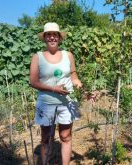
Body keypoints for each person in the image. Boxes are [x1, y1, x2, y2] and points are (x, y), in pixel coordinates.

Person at [29, 22, 82, 165]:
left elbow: (74, 76)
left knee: (66, 136)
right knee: (46, 138)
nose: (52, 38)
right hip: (46, 104)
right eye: (49, 35)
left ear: (59, 37)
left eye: (55, 35)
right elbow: (33, 82)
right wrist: (53, 89)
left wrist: (80, 86)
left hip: (67, 103)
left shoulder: (68, 55)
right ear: (45, 38)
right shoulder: (37, 57)